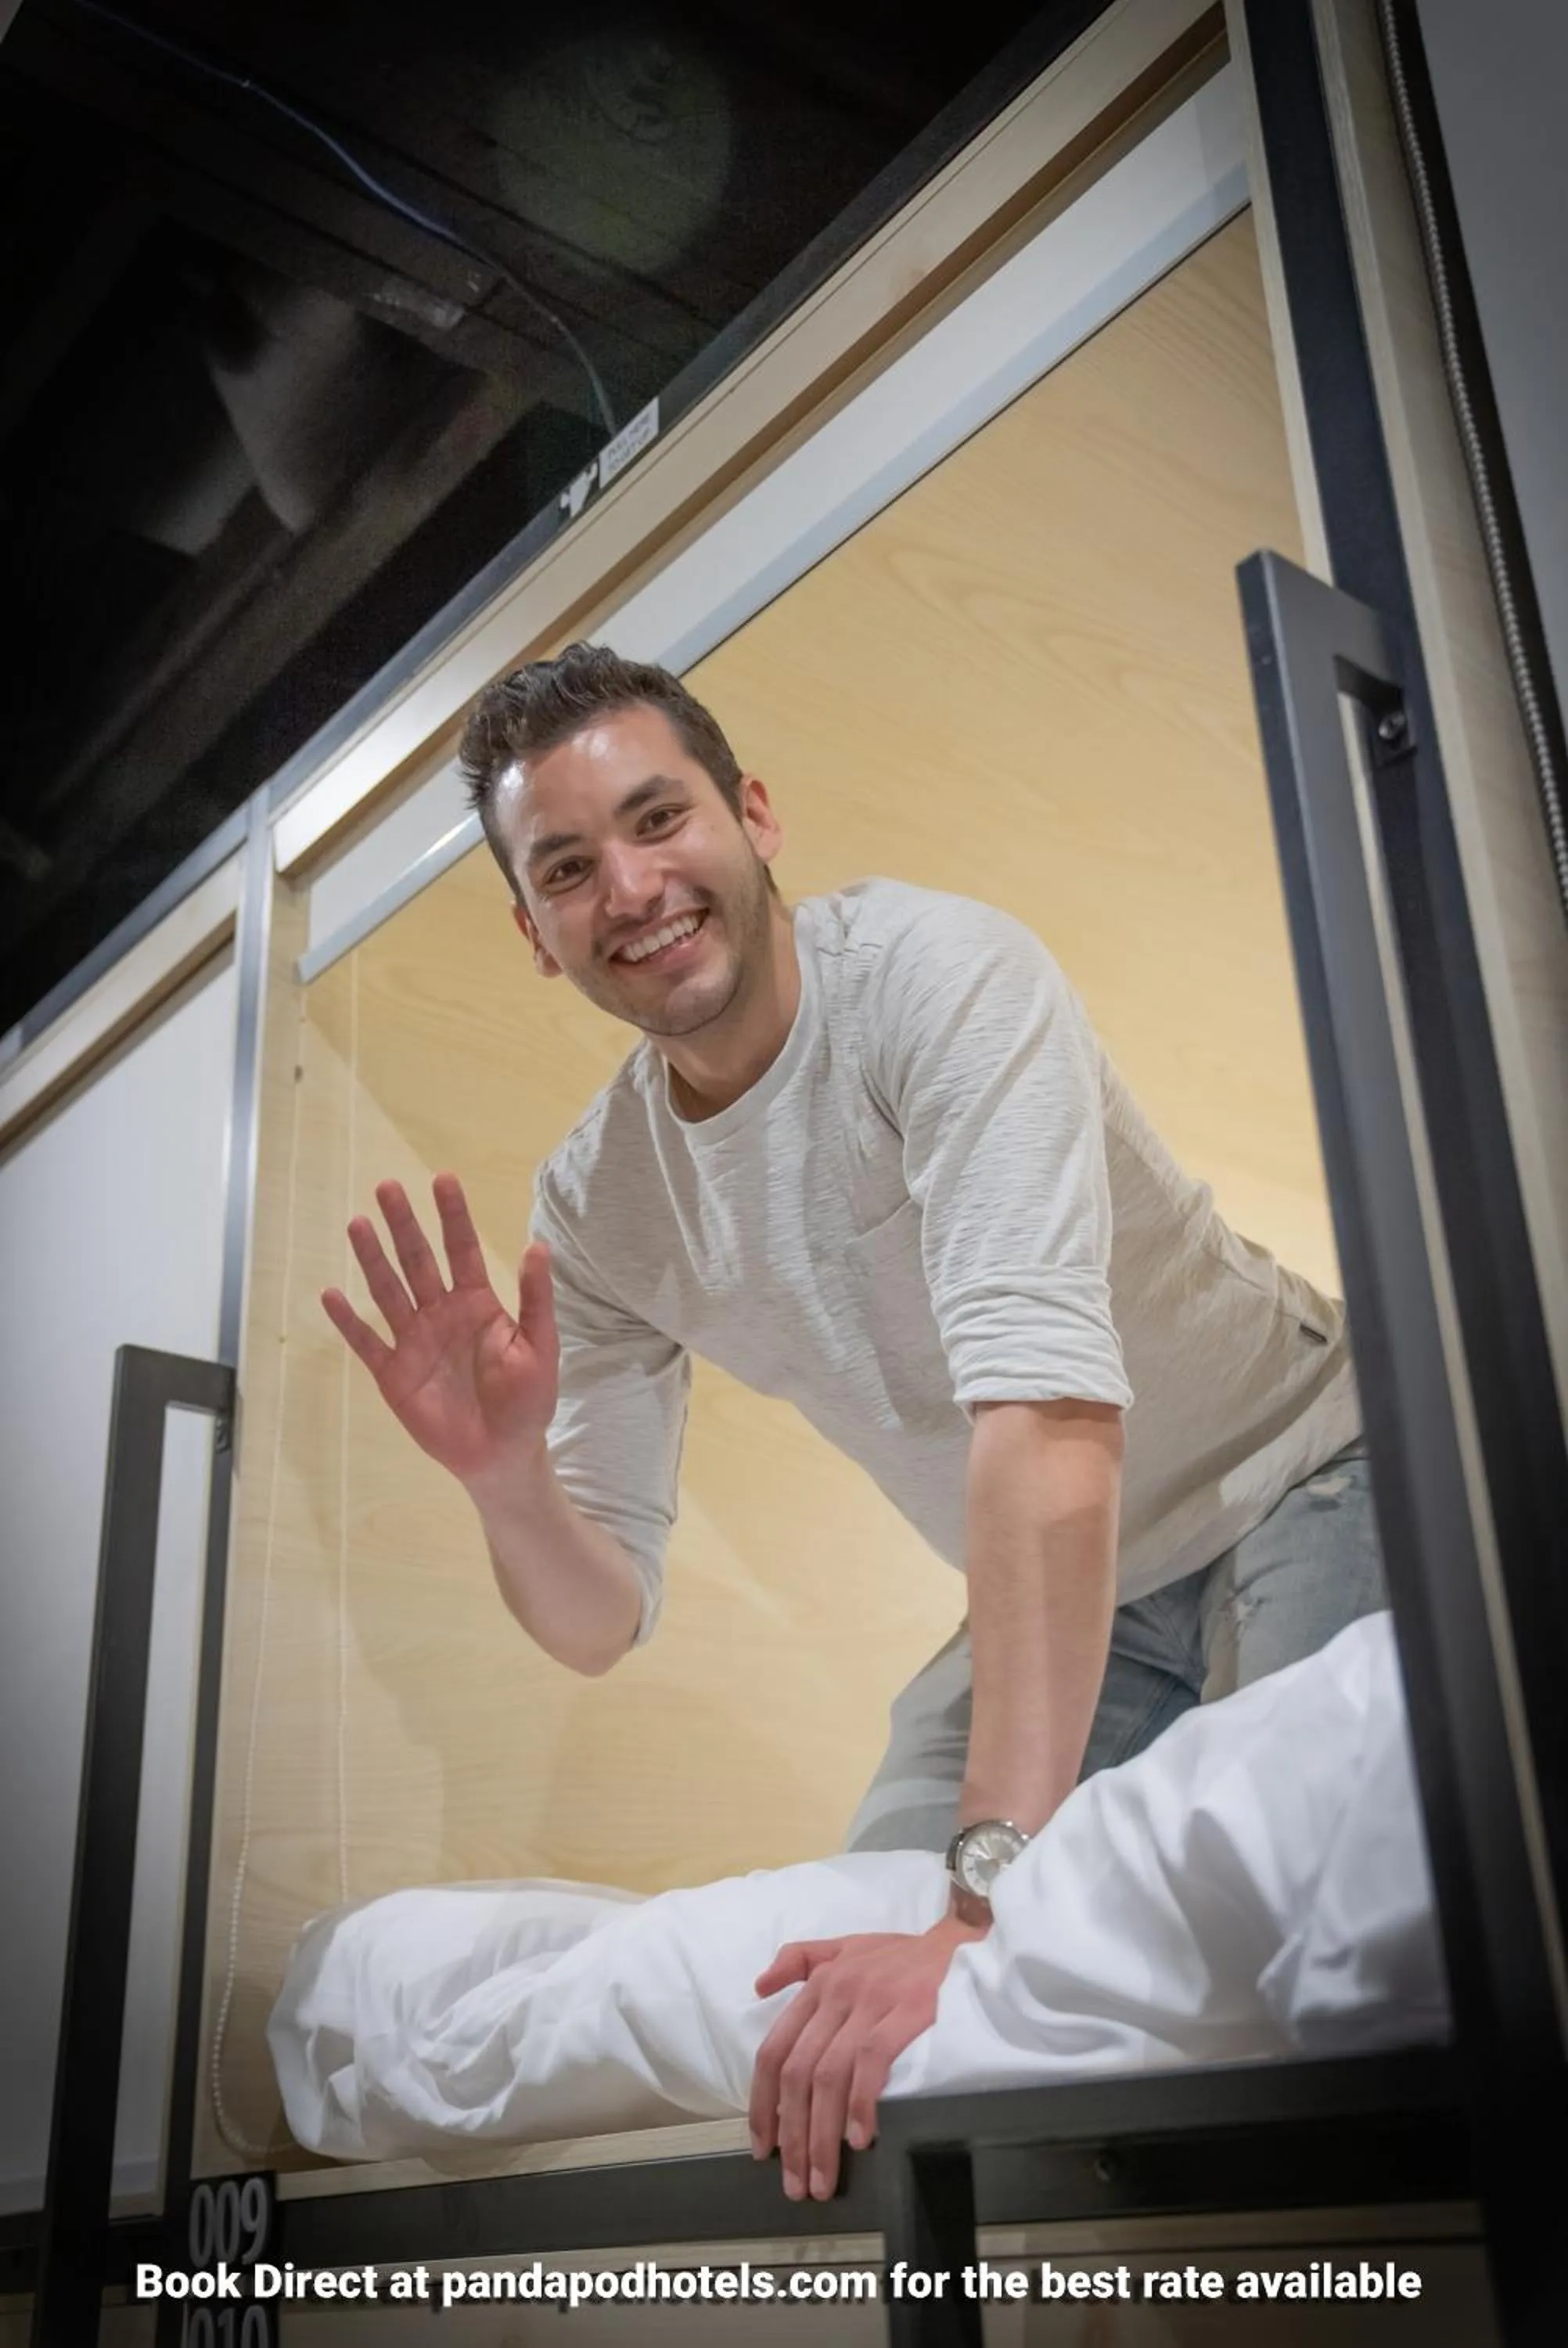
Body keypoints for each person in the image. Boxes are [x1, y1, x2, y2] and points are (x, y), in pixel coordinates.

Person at [321, 641, 1386, 2205]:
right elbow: (597, 1613)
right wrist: (502, 1484)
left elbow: (1046, 1421)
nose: (628, 886)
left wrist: (980, 1906)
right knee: (855, 1985)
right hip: (1073, 1562)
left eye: (658, 818)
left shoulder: (939, 982)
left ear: (754, 815)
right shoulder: (602, 1201)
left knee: (1301, 1955)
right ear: (537, 934)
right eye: (567, 866)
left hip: (1300, 1461)